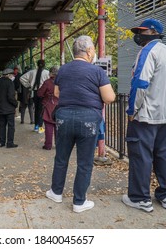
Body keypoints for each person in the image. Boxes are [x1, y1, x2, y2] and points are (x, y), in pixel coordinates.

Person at [45, 35, 115, 213]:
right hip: (88, 120)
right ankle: (79, 201)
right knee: (84, 162)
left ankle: (56, 192)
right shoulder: (97, 71)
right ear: (89, 51)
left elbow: (57, 94)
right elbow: (108, 97)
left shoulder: (63, 70)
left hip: (64, 118)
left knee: (61, 158)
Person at [122, 18, 166, 212]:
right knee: (162, 154)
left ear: (153, 32)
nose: (137, 35)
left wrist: (132, 110)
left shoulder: (148, 51)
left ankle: (140, 198)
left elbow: (140, 84)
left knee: (141, 155)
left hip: (147, 115)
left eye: (141, 31)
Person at [19, 59, 50, 133]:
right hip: (44, 93)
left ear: (37, 64)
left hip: (35, 92)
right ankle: (40, 127)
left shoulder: (32, 72)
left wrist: (29, 86)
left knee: (36, 109)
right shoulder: (47, 73)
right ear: (44, 65)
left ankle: (36, 126)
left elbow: (21, 78)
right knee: (42, 110)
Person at [0, 68, 18, 148]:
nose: (13, 76)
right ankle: (10, 143)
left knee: (2, 125)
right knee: (11, 126)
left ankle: (1, 142)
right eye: (12, 75)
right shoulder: (9, 82)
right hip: (9, 109)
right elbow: (10, 96)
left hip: (0, 108)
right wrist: (15, 104)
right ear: (9, 75)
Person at [37, 66, 59, 150]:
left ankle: (48, 145)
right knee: (58, 126)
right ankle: (58, 144)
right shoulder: (63, 82)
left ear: (50, 73)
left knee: (49, 125)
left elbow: (39, 93)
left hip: (49, 105)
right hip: (60, 105)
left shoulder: (47, 82)